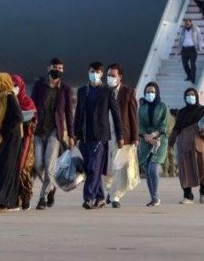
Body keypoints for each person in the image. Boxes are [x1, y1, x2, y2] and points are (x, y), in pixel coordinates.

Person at [74, 62, 123, 210]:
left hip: (100, 136)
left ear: (101, 74)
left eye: (97, 72)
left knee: (94, 168)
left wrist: (120, 136)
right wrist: (74, 134)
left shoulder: (107, 91)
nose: (94, 74)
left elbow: (116, 115)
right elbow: (78, 114)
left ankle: (88, 197)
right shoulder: (82, 91)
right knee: (88, 168)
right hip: (85, 136)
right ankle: (100, 197)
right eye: (91, 71)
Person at [30, 57, 74, 210]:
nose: (58, 70)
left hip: (55, 132)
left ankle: (42, 198)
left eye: (60, 68)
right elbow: (32, 105)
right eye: (55, 67)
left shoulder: (66, 89)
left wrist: (71, 136)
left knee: (49, 166)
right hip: (39, 130)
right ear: (49, 68)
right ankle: (52, 186)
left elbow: (69, 114)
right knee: (38, 165)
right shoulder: (39, 86)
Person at [0, 72, 23, 213]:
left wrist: (3, 132)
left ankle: (4, 202)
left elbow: (18, 118)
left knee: (7, 169)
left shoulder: (9, 97)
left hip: (11, 138)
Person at [168, 88, 204, 204]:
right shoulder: (182, 112)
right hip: (185, 145)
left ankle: (203, 193)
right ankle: (188, 196)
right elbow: (177, 128)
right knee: (185, 170)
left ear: (196, 96)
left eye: (192, 94)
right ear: (185, 98)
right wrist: (170, 142)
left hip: (201, 144)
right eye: (188, 95)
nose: (190, 97)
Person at [104, 63, 138, 208]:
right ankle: (109, 190)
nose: (110, 78)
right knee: (109, 167)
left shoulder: (128, 93)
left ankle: (116, 196)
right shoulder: (103, 91)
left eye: (113, 75)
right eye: (108, 75)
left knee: (121, 168)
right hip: (106, 134)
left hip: (124, 136)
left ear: (120, 77)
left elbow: (133, 116)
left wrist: (135, 137)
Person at [137, 82, 168, 207]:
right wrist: (147, 137)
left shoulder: (162, 106)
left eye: (152, 92)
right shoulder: (142, 107)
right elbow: (140, 125)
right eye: (148, 92)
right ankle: (153, 197)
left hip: (160, 141)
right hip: (146, 141)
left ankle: (155, 196)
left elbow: (164, 125)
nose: (150, 94)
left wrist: (154, 135)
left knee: (153, 168)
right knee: (147, 169)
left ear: (157, 93)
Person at [11, 74, 37, 211]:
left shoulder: (27, 102)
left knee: (24, 169)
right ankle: (15, 199)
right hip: (12, 140)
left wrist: (29, 121)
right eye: (11, 85)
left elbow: (35, 121)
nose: (13, 88)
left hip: (26, 140)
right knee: (13, 170)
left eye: (15, 85)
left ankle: (26, 196)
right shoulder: (8, 102)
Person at [179, 19, 204, 84]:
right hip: (184, 49)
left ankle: (193, 78)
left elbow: (200, 38)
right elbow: (180, 39)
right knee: (185, 64)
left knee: (193, 64)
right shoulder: (182, 29)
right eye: (185, 23)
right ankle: (189, 76)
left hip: (192, 49)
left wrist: (200, 47)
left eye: (187, 23)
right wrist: (179, 48)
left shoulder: (196, 29)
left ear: (191, 22)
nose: (186, 24)